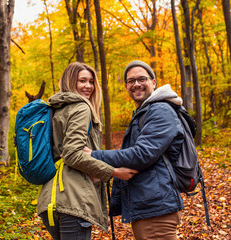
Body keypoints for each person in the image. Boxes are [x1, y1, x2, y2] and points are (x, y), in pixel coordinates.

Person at [83, 60, 185, 240]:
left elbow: (141, 154)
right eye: (131, 81)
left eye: (142, 79)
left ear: (154, 82)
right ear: (126, 86)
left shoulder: (160, 110)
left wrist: (93, 155)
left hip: (156, 208)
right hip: (149, 204)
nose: (136, 84)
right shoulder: (145, 112)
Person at [37, 62, 138, 240]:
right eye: (82, 81)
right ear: (69, 81)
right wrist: (113, 172)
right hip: (73, 198)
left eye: (91, 81)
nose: (88, 86)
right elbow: (72, 153)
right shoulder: (81, 107)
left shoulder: (55, 108)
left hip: (50, 199)